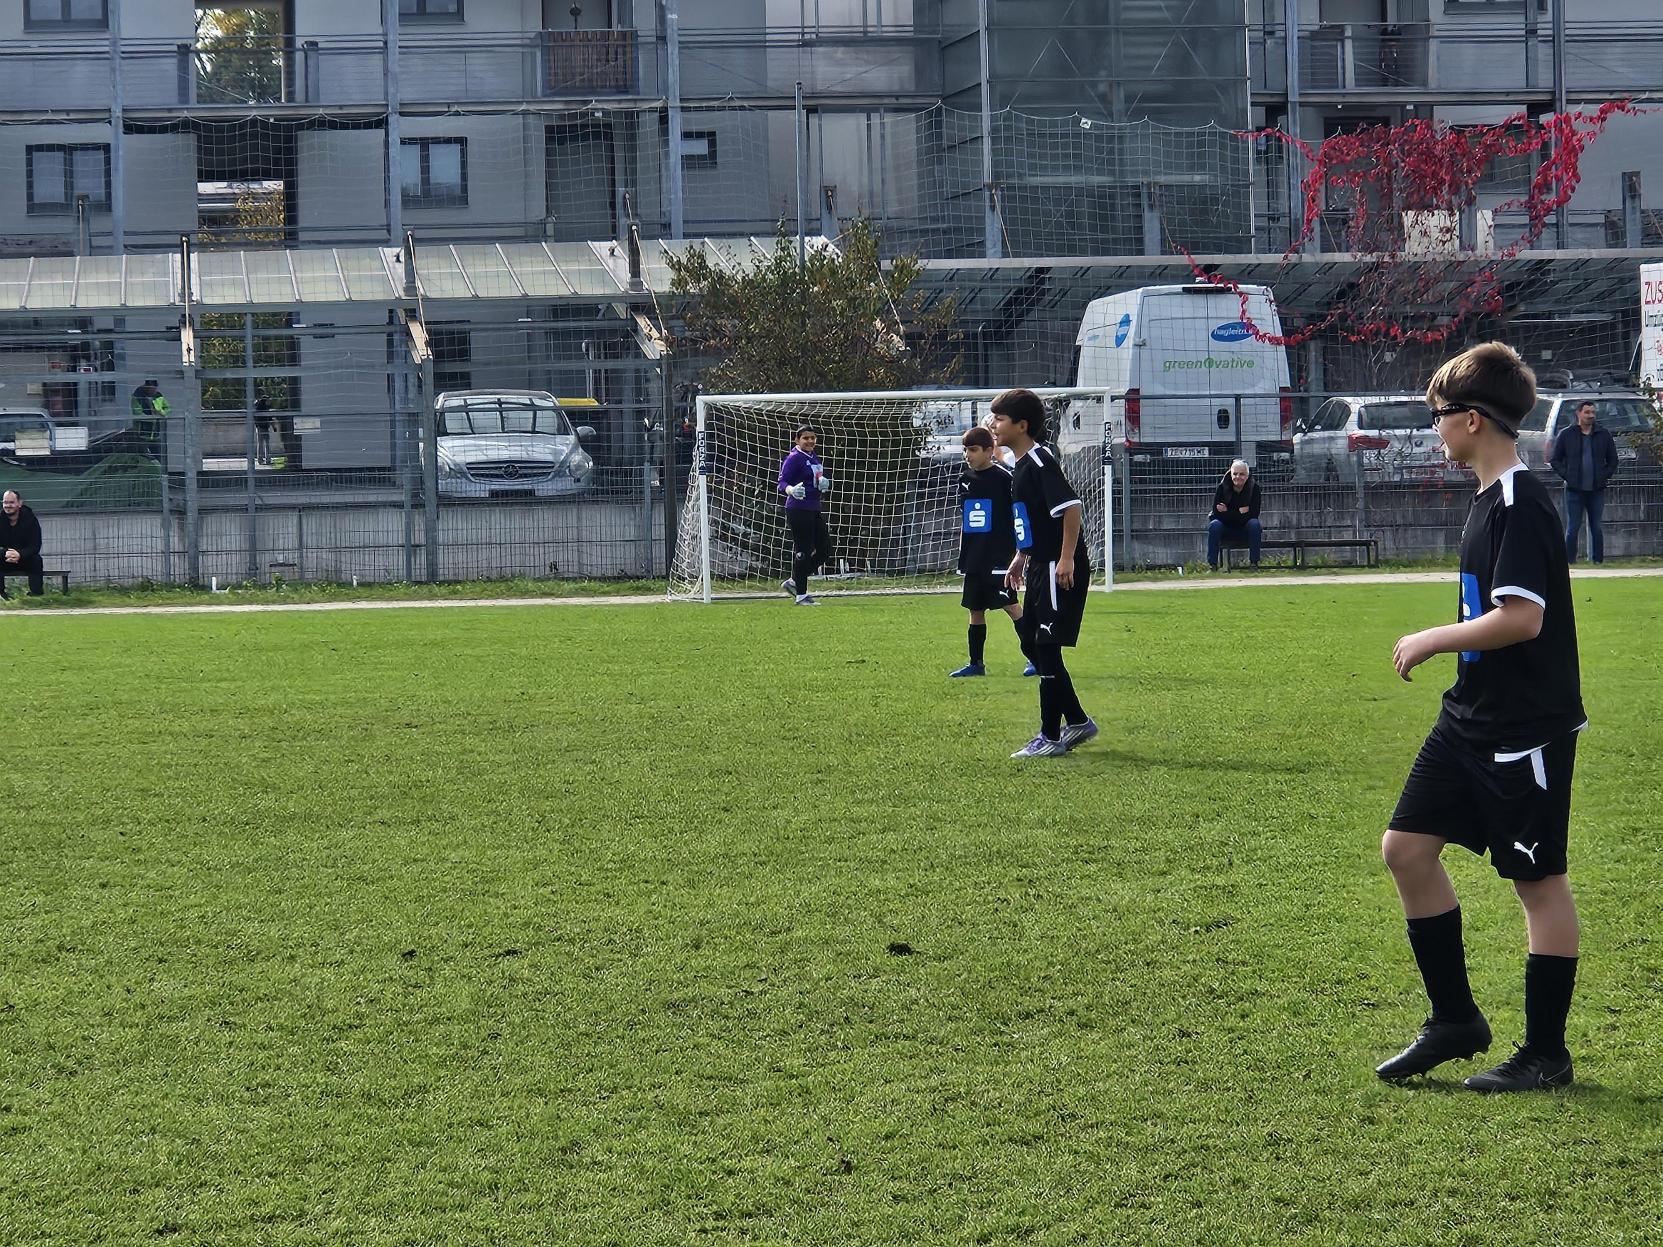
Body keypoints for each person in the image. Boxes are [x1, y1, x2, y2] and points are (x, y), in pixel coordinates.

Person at [1377, 342, 1587, 1093]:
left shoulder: (1520, 502)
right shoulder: (1484, 498)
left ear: (1470, 419)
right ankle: (1454, 1018)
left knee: (1538, 885)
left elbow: (1521, 619)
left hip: (1521, 728)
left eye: (1438, 417)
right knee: (1404, 848)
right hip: (1467, 716)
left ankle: (1544, 1053)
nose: (1434, 429)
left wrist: (1434, 637)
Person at [990, 388, 1097, 758]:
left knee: (1046, 647)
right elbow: (1033, 517)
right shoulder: (1019, 465)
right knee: (1034, 645)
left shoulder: (1039, 461)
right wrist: (1021, 555)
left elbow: (1071, 508)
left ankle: (1050, 736)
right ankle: (1079, 722)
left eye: (1000, 419)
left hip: (1057, 566)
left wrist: (1066, 559)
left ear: (1022, 425)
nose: (994, 424)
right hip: (1038, 563)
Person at [949, 425, 1033, 678]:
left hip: (999, 557)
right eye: (965, 450)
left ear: (989, 450)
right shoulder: (965, 480)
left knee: (1010, 605)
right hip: (974, 557)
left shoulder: (1005, 480)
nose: (968, 455)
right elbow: (967, 520)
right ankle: (976, 664)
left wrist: (1021, 551)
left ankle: (1036, 658)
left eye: (973, 450)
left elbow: (1019, 514)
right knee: (975, 609)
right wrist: (964, 554)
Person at [1548, 399, 1619, 565]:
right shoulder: (1567, 434)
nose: (1591, 415)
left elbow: (1613, 460)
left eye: (1593, 412)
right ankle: (1569, 561)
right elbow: (1555, 459)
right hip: (1574, 489)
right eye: (1587, 412)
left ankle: (1598, 561)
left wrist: (1604, 475)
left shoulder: (1603, 434)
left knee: (1596, 527)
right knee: (1573, 528)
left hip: (1596, 488)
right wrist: (1567, 476)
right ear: (1578, 414)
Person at [777, 424, 832, 606]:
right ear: (797, 440)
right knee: (803, 550)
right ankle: (801, 595)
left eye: (812, 438)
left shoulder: (814, 457)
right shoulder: (794, 458)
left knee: (824, 550)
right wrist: (791, 490)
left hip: (814, 507)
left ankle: (794, 580)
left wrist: (822, 484)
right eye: (805, 438)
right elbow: (782, 482)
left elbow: (815, 479)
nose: (810, 441)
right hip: (798, 508)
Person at [1206, 459, 1262, 569]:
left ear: (1247, 475)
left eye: (1241, 474)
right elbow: (1217, 514)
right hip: (1225, 527)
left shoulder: (1254, 488)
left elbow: (1254, 514)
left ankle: (1254, 563)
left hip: (1245, 528)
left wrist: (1227, 512)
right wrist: (1240, 512)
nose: (1238, 477)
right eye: (1235, 474)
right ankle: (1212, 565)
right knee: (1214, 525)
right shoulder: (1222, 488)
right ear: (1231, 474)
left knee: (1255, 524)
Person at [0, 490, 45, 598]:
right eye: (5, 502)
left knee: (36, 560)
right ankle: (1, 595)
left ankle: (36, 594)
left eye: (11, 502)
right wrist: (5, 553)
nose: (8, 506)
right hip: (5, 558)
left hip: (25, 558)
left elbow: (35, 546)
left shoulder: (31, 519)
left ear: (19, 503)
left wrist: (20, 554)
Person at [130, 379, 170, 456]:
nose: (153, 391)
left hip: (156, 434)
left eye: (155, 388)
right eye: (151, 389)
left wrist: (161, 413)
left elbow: (168, 408)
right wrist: (153, 418)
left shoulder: (158, 396)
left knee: (158, 456)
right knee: (142, 457)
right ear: (146, 388)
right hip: (142, 434)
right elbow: (137, 413)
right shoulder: (137, 397)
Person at [254, 396, 276, 467]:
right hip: (261, 427)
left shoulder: (266, 408)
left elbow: (270, 418)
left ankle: (267, 459)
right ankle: (261, 459)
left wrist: (273, 426)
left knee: (266, 444)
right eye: (268, 400)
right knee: (261, 444)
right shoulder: (259, 408)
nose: (269, 402)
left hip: (265, 427)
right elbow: (257, 418)